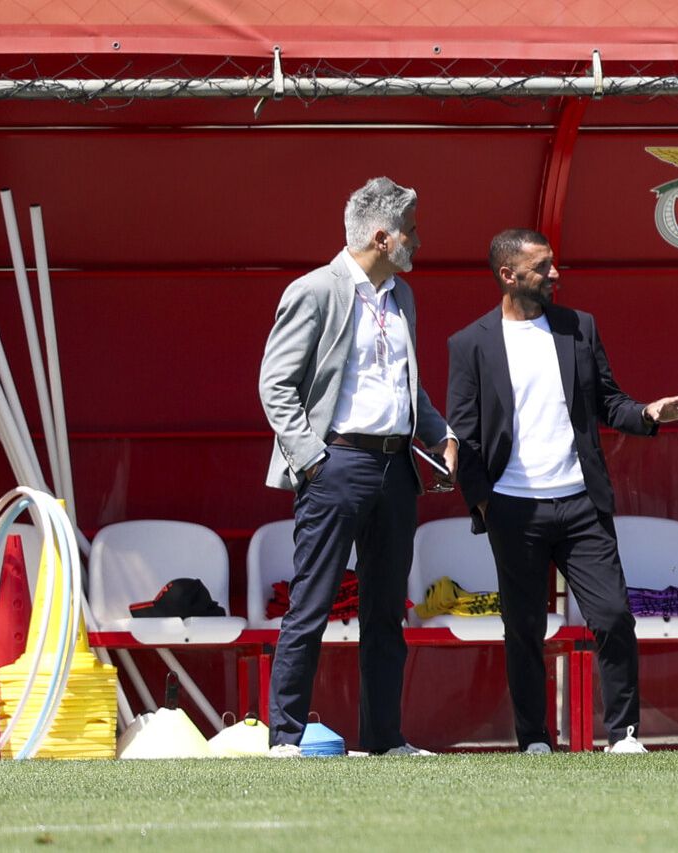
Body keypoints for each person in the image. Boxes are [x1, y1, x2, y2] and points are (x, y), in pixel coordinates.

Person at [447, 228, 678, 754]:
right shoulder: (470, 344)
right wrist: (485, 502)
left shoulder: (578, 328)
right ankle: (534, 739)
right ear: (509, 275)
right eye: (542, 267)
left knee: (612, 616)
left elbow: (609, 401)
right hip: (514, 510)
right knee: (525, 628)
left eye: (554, 264)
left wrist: (648, 414)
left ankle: (623, 736)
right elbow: (464, 432)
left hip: (582, 504)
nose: (555, 274)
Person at [258, 177, 456, 757]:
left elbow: (407, 388)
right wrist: (312, 460)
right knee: (311, 604)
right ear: (382, 236)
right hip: (336, 463)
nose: (418, 241)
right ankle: (285, 738)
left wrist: (439, 434)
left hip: (396, 470)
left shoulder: (402, 297)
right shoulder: (316, 290)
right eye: (411, 231)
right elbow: (276, 385)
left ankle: (385, 739)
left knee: (386, 612)